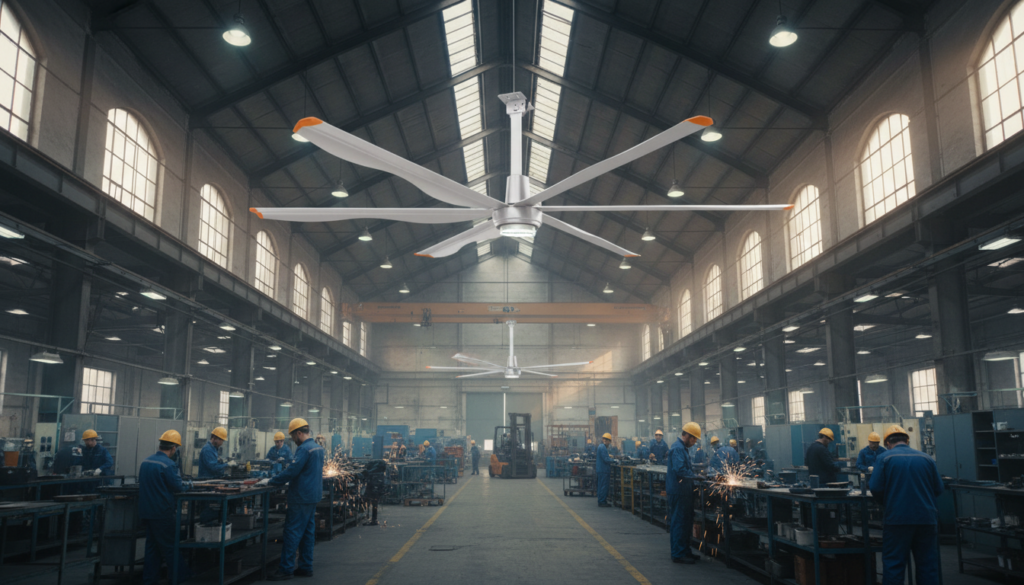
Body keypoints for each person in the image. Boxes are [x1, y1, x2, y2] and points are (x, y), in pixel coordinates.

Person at [869, 425, 943, 585]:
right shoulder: (926, 458)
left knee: (894, 565)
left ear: (888, 442)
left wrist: (887, 502)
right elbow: (939, 488)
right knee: (928, 566)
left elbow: (875, 487)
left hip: (897, 519)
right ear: (907, 441)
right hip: (926, 519)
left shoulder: (885, 458)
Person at [258, 418, 325, 581]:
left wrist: (271, 481)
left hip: (301, 497)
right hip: (313, 496)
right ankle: (305, 567)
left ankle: (286, 569)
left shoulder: (303, 449)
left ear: (299, 433)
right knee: (308, 533)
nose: (293, 440)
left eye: (293, 437)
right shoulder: (318, 448)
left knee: (292, 532)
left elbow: (292, 471)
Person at [139, 430, 191, 585]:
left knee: (152, 549)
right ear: (174, 448)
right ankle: (179, 578)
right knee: (170, 547)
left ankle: (149, 580)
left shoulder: (146, 462)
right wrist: (190, 485)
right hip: (162, 513)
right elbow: (178, 487)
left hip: (146, 512)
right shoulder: (168, 464)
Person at [667, 422, 702, 564]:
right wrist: (696, 477)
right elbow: (680, 470)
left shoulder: (682, 448)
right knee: (679, 522)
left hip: (684, 492)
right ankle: (678, 553)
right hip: (678, 491)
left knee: (686, 523)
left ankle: (685, 551)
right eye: (693, 439)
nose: (694, 443)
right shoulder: (677, 449)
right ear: (687, 435)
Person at [596, 433, 613, 507]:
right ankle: (602, 501)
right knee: (604, 486)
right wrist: (615, 460)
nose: (609, 443)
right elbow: (606, 459)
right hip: (604, 470)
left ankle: (601, 500)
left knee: (601, 485)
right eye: (609, 441)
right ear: (607, 440)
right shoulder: (603, 447)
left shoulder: (601, 446)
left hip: (601, 470)